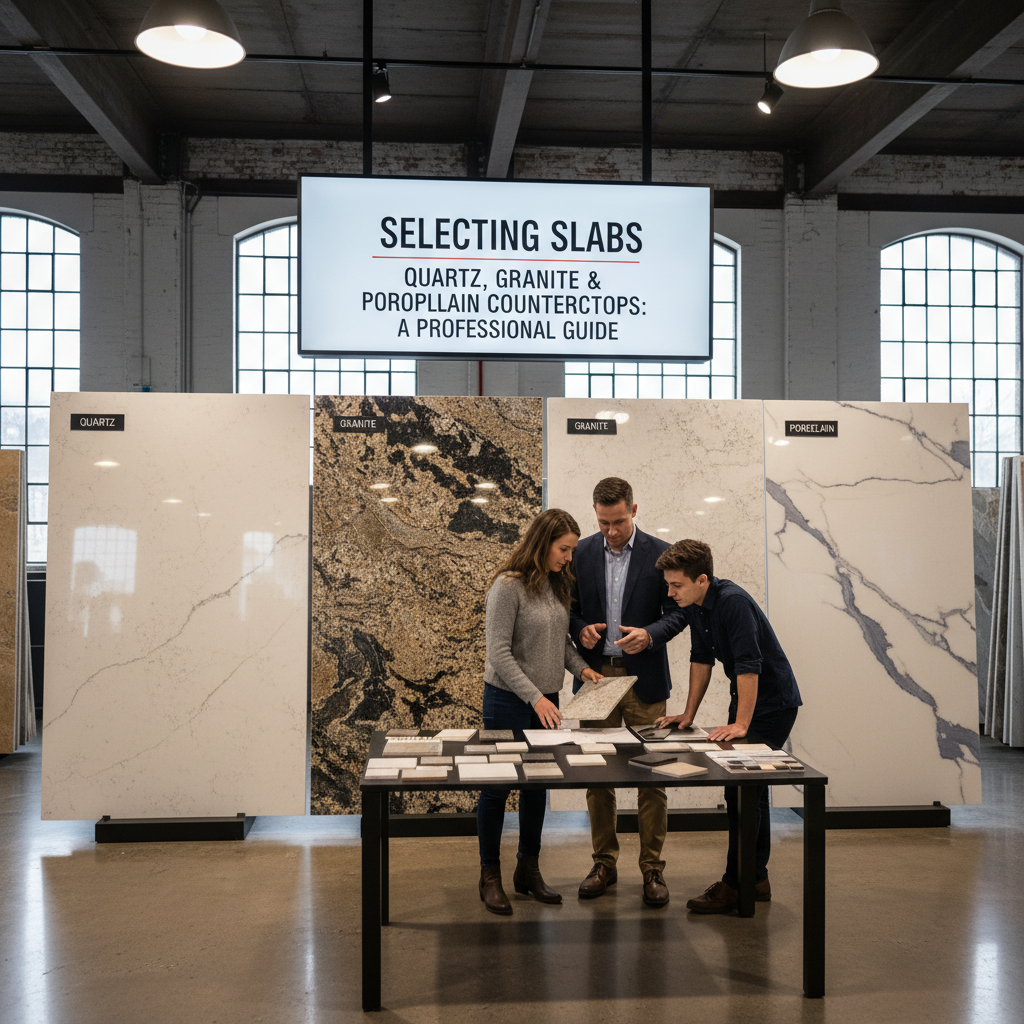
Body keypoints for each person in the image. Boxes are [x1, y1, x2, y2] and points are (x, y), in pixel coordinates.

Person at [653, 538, 802, 914]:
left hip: (773, 705)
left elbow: (750, 665)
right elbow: (701, 658)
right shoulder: (694, 606)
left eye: (677, 585)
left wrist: (741, 723)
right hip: (749, 704)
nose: (670, 593)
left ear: (702, 579)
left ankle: (736, 885)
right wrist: (688, 714)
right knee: (750, 792)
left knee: (741, 792)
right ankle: (756, 879)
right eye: (668, 585)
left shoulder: (732, 602)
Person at [478, 507, 603, 916]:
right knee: (497, 789)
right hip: (508, 700)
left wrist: (581, 668)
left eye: (572, 550)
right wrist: (535, 697)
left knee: (537, 787)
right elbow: (498, 653)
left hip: (545, 701)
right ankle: (489, 876)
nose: (569, 557)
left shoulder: (557, 584)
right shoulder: (508, 586)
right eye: (563, 549)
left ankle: (527, 870)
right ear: (542, 542)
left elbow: (561, 643)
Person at [569, 477, 687, 907]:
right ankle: (604, 863)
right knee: (597, 775)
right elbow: (567, 608)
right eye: (603, 522)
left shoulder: (661, 553)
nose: (611, 531)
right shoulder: (580, 552)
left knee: (653, 775)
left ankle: (652, 868)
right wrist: (581, 629)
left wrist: (650, 635)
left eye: (618, 521)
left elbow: (678, 612)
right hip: (595, 679)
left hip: (645, 680)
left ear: (633, 510)